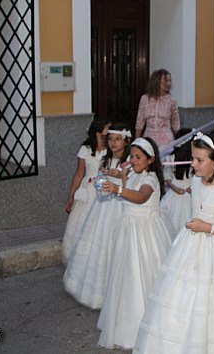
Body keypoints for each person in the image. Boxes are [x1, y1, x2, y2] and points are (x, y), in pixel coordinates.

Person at [134, 132, 214, 353]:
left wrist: (208, 227)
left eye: (199, 160)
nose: (193, 164)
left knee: (212, 303)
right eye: (193, 158)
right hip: (190, 247)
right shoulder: (196, 182)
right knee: (183, 297)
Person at [97, 137, 173, 349]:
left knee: (143, 274)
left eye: (139, 157)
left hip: (145, 233)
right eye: (132, 156)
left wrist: (117, 189)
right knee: (126, 277)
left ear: (150, 160)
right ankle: (125, 325)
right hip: (129, 230)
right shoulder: (132, 175)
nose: (134, 160)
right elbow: (128, 189)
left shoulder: (150, 180)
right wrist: (120, 178)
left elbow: (140, 197)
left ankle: (147, 325)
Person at [62, 124, 131, 309]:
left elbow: (129, 182)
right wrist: (102, 182)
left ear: (126, 141)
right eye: (110, 139)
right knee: (100, 242)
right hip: (105, 205)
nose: (113, 142)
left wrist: (117, 175)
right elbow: (96, 178)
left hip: (121, 204)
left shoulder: (129, 160)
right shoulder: (105, 159)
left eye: (117, 139)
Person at [62, 120, 109, 264]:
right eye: (107, 130)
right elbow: (79, 173)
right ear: (98, 132)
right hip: (88, 189)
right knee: (82, 222)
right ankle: (80, 258)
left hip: (104, 188)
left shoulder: (111, 151)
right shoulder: (86, 149)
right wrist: (71, 196)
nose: (110, 133)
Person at [160, 128, 194, 237]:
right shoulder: (171, 158)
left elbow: (198, 175)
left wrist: (193, 187)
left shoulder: (195, 159)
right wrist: (174, 187)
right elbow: (167, 176)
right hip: (175, 190)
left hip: (190, 189)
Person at [135, 69, 181, 148]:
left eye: (169, 81)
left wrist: (180, 141)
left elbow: (176, 123)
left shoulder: (171, 100)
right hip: (148, 138)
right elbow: (139, 122)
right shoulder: (145, 99)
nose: (168, 83)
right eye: (165, 80)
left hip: (166, 140)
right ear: (156, 81)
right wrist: (136, 141)